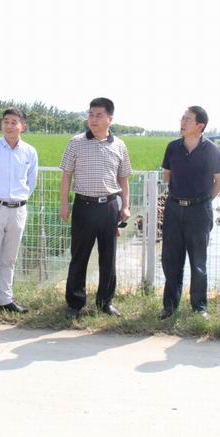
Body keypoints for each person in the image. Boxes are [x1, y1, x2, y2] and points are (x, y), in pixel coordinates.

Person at [59, 97, 132, 319]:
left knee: (108, 257)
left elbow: (123, 179)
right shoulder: (75, 143)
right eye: (90, 114)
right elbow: (66, 176)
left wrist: (125, 206)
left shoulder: (119, 145)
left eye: (99, 115)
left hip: (109, 207)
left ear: (110, 119)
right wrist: (64, 205)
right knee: (79, 256)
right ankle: (75, 303)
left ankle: (105, 302)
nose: (93, 119)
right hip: (83, 206)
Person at [159, 106, 220, 319]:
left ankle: (199, 307)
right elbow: (167, 175)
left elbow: (219, 180)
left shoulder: (211, 150)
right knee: (171, 260)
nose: (182, 122)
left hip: (199, 211)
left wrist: (204, 201)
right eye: (182, 118)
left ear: (199, 125)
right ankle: (169, 307)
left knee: (198, 262)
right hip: (174, 209)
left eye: (187, 119)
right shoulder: (172, 147)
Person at [0, 108, 38, 324]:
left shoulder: (29, 152)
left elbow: (31, 182)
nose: (9, 126)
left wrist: (17, 200)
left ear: (23, 126)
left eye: (14, 122)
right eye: (6, 121)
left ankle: (5, 299)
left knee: (10, 258)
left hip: (18, 210)